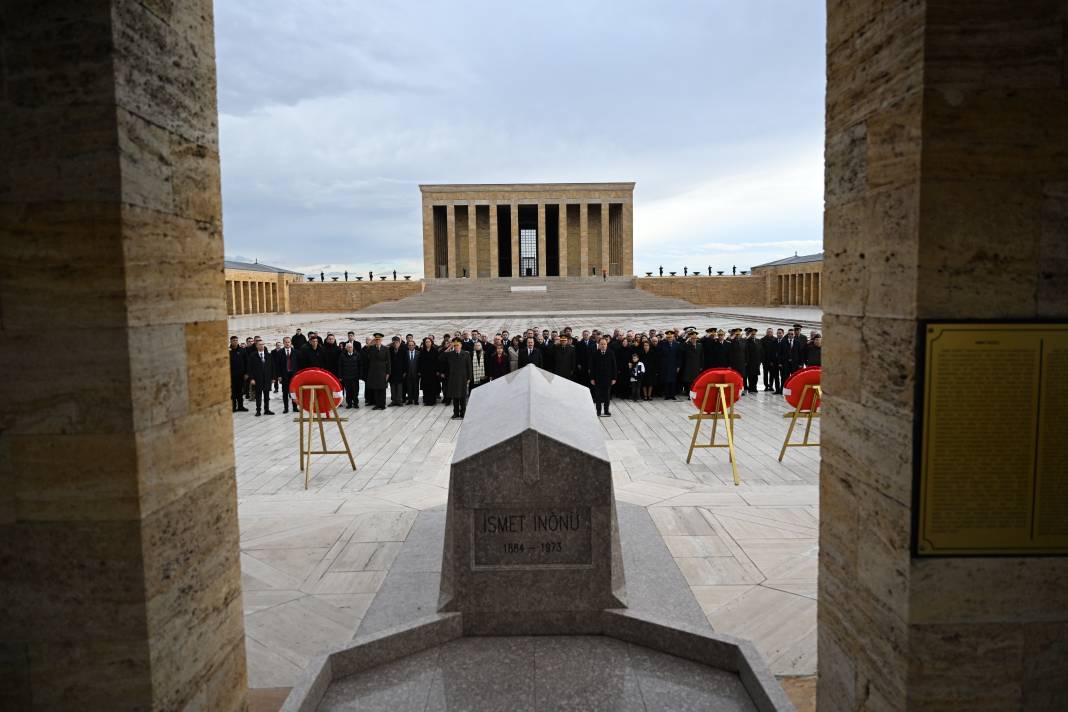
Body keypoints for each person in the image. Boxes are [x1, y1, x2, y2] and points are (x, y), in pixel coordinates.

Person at [443, 338, 473, 419]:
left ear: (461, 346)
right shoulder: (451, 354)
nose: (456, 347)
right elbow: (442, 356)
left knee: (463, 397)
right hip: (453, 378)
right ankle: (456, 413)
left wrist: (469, 377)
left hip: (463, 378)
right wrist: (450, 347)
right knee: (455, 397)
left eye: (458, 345)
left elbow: (469, 366)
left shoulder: (466, 354)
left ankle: (463, 413)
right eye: (455, 346)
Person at [245, 337, 275, 416]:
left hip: (267, 378)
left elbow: (272, 367)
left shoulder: (268, 355)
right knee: (258, 395)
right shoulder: (252, 356)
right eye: (260, 345)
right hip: (257, 379)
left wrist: (273, 378)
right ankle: (258, 410)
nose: (262, 346)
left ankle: (267, 409)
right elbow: (250, 368)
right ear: (256, 346)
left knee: (266, 395)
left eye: (262, 344)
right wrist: (251, 379)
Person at [588, 336, 617, 417]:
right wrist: (592, 378)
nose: (603, 345)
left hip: (608, 379)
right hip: (597, 379)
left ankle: (606, 410)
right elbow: (592, 367)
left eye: (605, 344)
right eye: (602, 344)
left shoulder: (611, 353)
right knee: (598, 396)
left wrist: (614, 378)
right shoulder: (595, 353)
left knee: (607, 396)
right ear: (599, 345)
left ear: (607, 344)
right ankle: (598, 411)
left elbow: (614, 366)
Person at [364, 333, 390, 409]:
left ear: (381, 340)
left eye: (379, 340)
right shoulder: (371, 348)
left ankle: (382, 404)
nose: (378, 341)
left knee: (382, 388)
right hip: (374, 372)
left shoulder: (385, 349)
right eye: (376, 340)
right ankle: (377, 404)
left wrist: (388, 372)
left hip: (383, 371)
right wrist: (370, 344)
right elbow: (365, 355)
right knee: (376, 388)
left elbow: (388, 362)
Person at [278, 336, 300, 413]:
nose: (287, 343)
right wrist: (279, 376)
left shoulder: (296, 352)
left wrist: (298, 375)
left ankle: (295, 407)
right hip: (284, 375)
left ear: (291, 343)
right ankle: (286, 408)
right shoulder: (280, 352)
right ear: (283, 343)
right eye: (286, 342)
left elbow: (299, 364)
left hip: (294, 375)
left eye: (288, 342)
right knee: (285, 392)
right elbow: (278, 365)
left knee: (294, 392)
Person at [658, 330, 681, 399]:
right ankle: (667, 395)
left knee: (673, 380)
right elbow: (660, 354)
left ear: (673, 337)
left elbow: (679, 356)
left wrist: (678, 366)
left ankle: (672, 395)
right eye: (668, 338)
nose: (669, 339)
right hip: (666, 365)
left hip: (674, 365)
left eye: (671, 337)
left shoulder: (677, 344)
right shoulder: (663, 344)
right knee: (667, 380)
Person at [339, 341, 361, 408]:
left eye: (351, 347)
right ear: (346, 348)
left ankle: (356, 403)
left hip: (355, 376)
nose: (350, 348)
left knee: (355, 391)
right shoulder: (342, 355)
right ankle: (349, 404)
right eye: (348, 347)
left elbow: (360, 365)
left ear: (353, 347)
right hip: (346, 377)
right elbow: (340, 366)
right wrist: (340, 376)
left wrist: (360, 375)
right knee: (348, 391)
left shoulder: (357, 355)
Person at [229, 336, 248, 412]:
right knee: (233, 392)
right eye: (234, 340)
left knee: (240, 391)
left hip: (241, 375)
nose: (235, 341)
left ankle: (240, 406)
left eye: (236, 340)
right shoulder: (228, 350)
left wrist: (247, 373)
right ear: (230, 341)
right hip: (231, 375)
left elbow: (247, 362)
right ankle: (233, 407)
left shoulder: (242, 350)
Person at [418, 338, 440, 405]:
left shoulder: (435, 351)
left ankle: (432, 401)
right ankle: (426, 401)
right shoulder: (422, 351)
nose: (427, 343)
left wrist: (438, 370)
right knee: (425, 387)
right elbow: (420, 362)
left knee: (433, 386)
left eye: (429, 342)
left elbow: (438, 362)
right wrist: (419, 371)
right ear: (424, 343)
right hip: (424, 372)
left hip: (433, 372)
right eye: (426, 342)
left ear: (431, 342)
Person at [744, 328, 763, 394]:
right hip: (750, 362)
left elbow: (761, 351)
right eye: (752, 334)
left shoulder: (758, 341)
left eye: (754, 334)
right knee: (750, 376)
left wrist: (760, 360)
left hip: (757, 362)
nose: (753, 335)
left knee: (755, 376)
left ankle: (754, 387)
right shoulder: (747, 341)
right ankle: (750, 388)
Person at [388, 337, 405, 406]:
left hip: (400, 372)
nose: (395, 344)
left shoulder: (403, 351)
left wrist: (405, 372)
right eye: (394, 343)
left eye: (397, 343)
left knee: (399, 387)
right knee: (392, 387)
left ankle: (399, 400)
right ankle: (393, 401)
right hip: (392, 372)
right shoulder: (389, 350)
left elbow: (405, 362)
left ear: (399, 343)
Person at [402, 339, 420, 404]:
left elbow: (420, 363)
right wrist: (404, 372)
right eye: (410, 345)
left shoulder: (418, 353)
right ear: (408, 346)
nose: (411, 346)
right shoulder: (405, 353)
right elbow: (403, 363)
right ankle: (410, 400)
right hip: (408, 373)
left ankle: (416, 400)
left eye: (412, 345)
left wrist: (419, 372)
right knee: (409, 387)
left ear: (414, 346)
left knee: (416, 387)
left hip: (416, 373)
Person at [760, 328, 778, 392]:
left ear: (772, 333)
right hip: (765, 360)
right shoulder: (762, 340)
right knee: (765, 374)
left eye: (770, 332)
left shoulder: (775, 339)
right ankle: (766, 386)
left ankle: (771, 386)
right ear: (766, 332)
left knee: (772, 374)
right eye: (768, 332)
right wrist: (762, 360)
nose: (769, 333)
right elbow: (761, 351)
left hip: (772, 361)